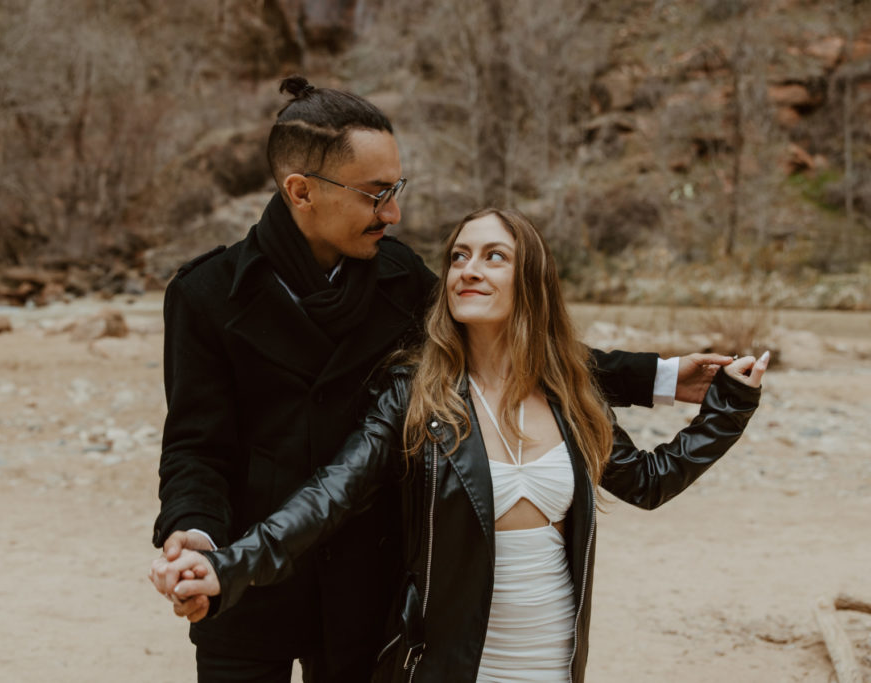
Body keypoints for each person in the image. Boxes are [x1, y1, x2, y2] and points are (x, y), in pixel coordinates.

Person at [149, 76, 732, 683]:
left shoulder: (399, 278)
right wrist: (197, 537)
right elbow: (195, 447)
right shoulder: (205, 294)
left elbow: (514, 347)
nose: (394, 212)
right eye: (377, 193)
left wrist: (660, 377)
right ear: (302, 192)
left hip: (368, 590)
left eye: (396, 189)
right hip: (245, 588)